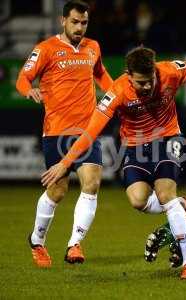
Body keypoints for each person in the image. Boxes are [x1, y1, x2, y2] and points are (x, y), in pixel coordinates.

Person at [40, 47, 186, 278]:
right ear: (128, 75)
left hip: (167, 137)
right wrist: (64, 163)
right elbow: (90, 132)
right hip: (135, 147)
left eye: (150, 80)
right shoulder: (117, 91)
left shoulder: (170, 71)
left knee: (165, 194)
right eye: (141, 83)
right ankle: (183, 205)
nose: (147, 87)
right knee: (138, 200)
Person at [16, 0, 113, 268]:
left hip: (87, 130)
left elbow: (101, 75)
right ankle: (37, 239)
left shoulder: (93, 47)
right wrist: (29, 90)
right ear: (63, 21)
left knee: (92, 183)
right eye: (75, 22)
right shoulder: (45, 49)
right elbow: (22, 79)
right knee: (58, 191)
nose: (80, 27)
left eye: (84, 23)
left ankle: (74, 244)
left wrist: (116, 93)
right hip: (57, 131)